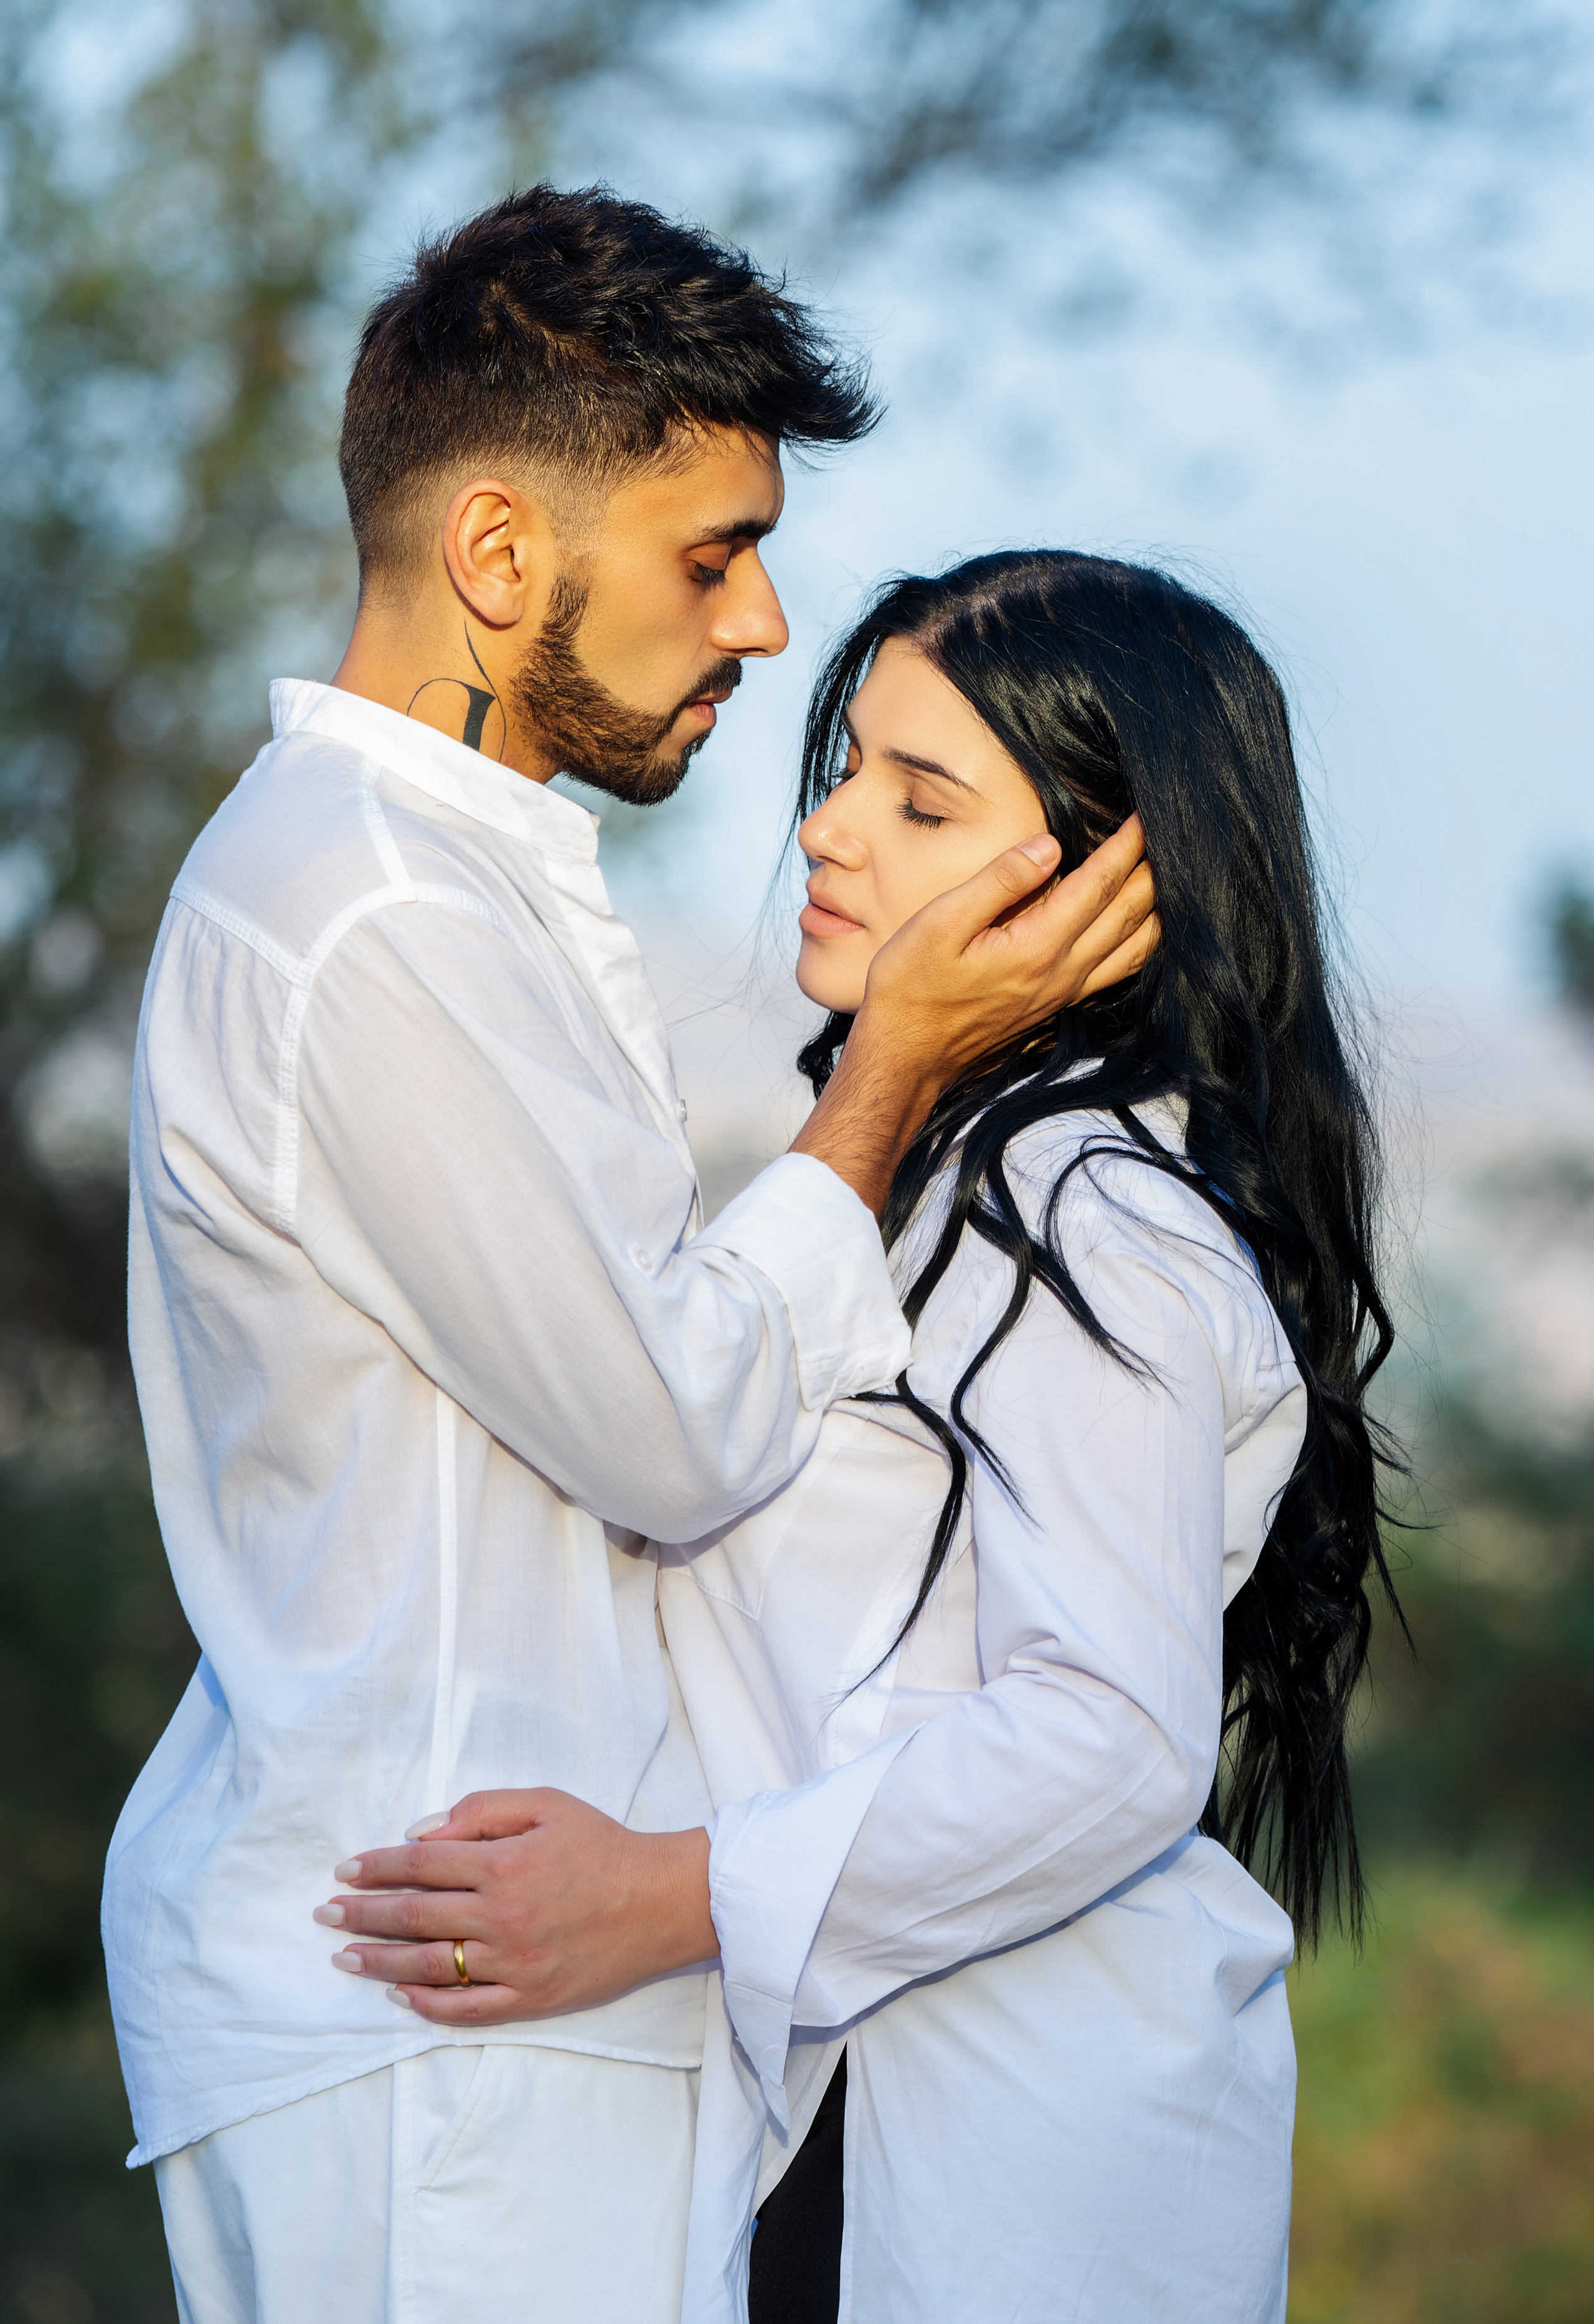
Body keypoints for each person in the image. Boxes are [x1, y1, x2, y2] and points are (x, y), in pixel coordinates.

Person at [105, 185, 1156, 2324]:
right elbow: (675, 1427)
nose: (766, 625)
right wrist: (894, 1073)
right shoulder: (374, 905)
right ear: (500, 557)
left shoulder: (435, 880)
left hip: (490, 1991)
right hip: (440, 1997)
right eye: (711, 553)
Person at [324, 550, 1399, 2324]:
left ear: (1111, 882)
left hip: (988, 2149)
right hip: (880, 2102)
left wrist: (666, 1896)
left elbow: (1108, 1737)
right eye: (847, 771)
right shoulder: (937, 1184)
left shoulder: (1090, 1216)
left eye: (920, 796)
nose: (829, 830)